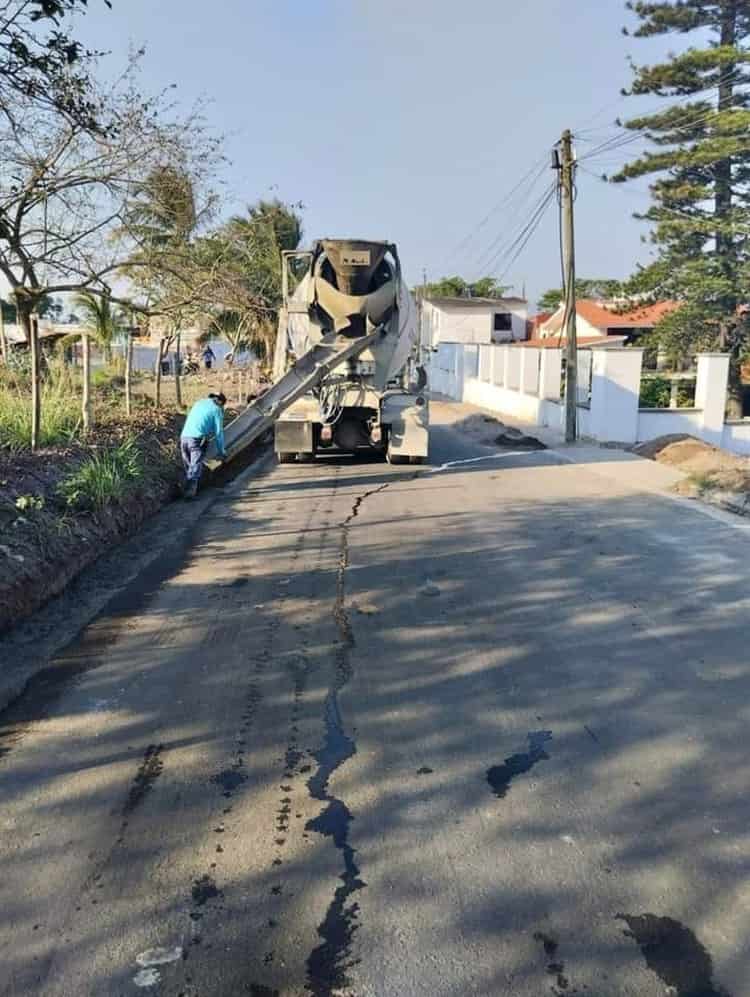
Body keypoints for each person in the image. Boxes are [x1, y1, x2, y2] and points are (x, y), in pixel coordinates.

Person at [180, 392, 227, 498]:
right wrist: (222, 452)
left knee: (189, 467)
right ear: (220, 402)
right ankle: (189, 494)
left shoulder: (198, 403)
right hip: (196, 439)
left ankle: (185, 488)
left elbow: (199, 421)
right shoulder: (216, 409)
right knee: (195, 466)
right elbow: (219, 433)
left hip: (184, 437)